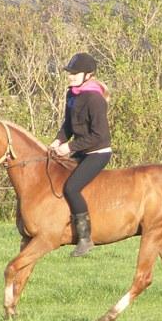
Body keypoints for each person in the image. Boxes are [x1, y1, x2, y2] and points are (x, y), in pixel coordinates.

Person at [49, 52, 112, 257]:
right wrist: (58, 140)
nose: (71, 76)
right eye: (70, 72)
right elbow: (68, 125)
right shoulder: (72, 94)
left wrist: (70, 147)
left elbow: (98, 136)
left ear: (89, 75)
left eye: (75, 73)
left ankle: (85, 239)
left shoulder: (95, 99)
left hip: (97, 152)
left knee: (72, 187)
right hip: (79, 149)